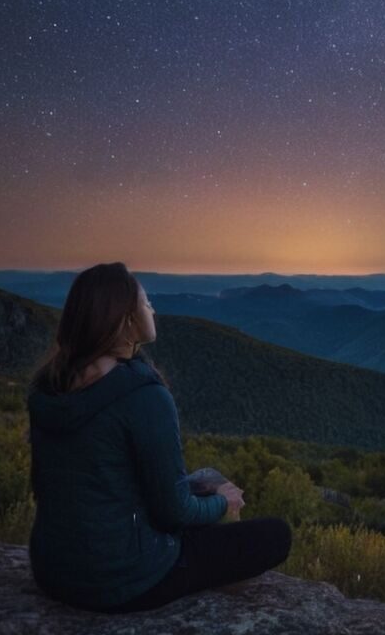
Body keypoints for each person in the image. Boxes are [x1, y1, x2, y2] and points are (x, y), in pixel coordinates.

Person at [27, 262, 291, 612]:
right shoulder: (142, 396)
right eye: (146, 302)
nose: (152, 309)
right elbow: (172, 513)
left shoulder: (49, 387)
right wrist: (221, 504)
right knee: (276, 535)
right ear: (126, 319)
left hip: (53, 571)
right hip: (125, 579)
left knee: (206, 478)